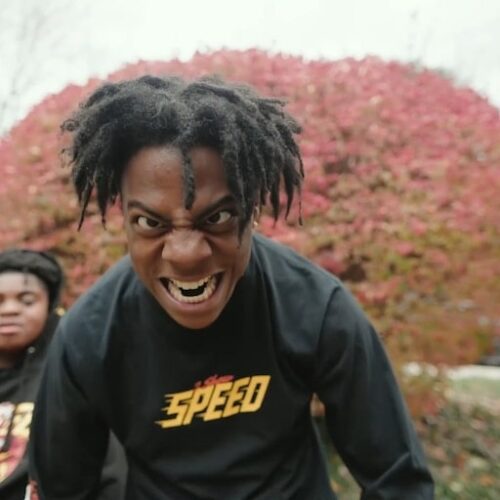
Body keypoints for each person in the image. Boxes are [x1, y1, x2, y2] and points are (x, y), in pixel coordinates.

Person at [29, 75, 434, 499]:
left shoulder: (315, 307)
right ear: (125, 222)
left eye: (217, 217)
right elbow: (62, 489)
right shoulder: (89, 336)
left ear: (252, 210)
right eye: (151, 222)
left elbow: (397, 480)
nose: (186, 254)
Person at [0, 249, 126, 500]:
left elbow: (109, 471)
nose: (10, 310)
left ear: (49, 306)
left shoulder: (74, 373)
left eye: (27, 300)